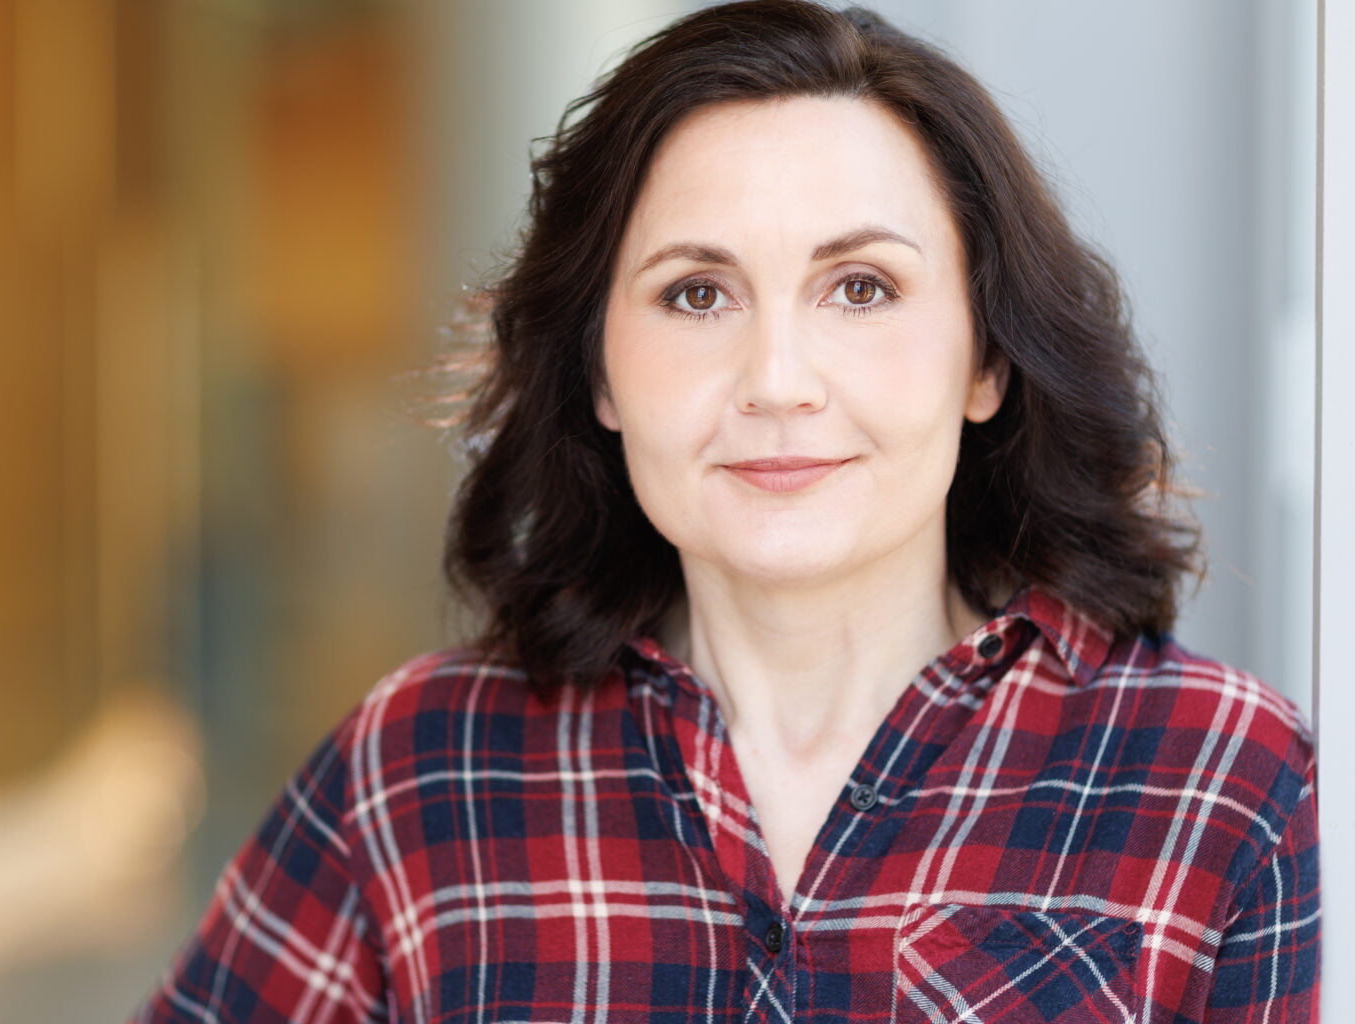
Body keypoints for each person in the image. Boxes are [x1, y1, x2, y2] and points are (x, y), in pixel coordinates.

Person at [133, 2, 1319, 1021]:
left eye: (862, 288)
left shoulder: (1220, 774)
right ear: (599, 373)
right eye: (697, 294)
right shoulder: (418, 769)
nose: (777, 379)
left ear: (985, 361)